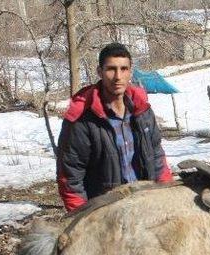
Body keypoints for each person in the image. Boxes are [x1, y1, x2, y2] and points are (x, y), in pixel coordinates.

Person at [57, 42, 172, 212]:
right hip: (106, 213)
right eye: (111, 69)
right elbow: (70, 177)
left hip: (146, 205)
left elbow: (157, 156)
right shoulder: (82, 119)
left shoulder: (142, 111)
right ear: (99, 72)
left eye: (124, 69)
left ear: (130, 72)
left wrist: (166, 195)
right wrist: (81, 218)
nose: (118, 76)